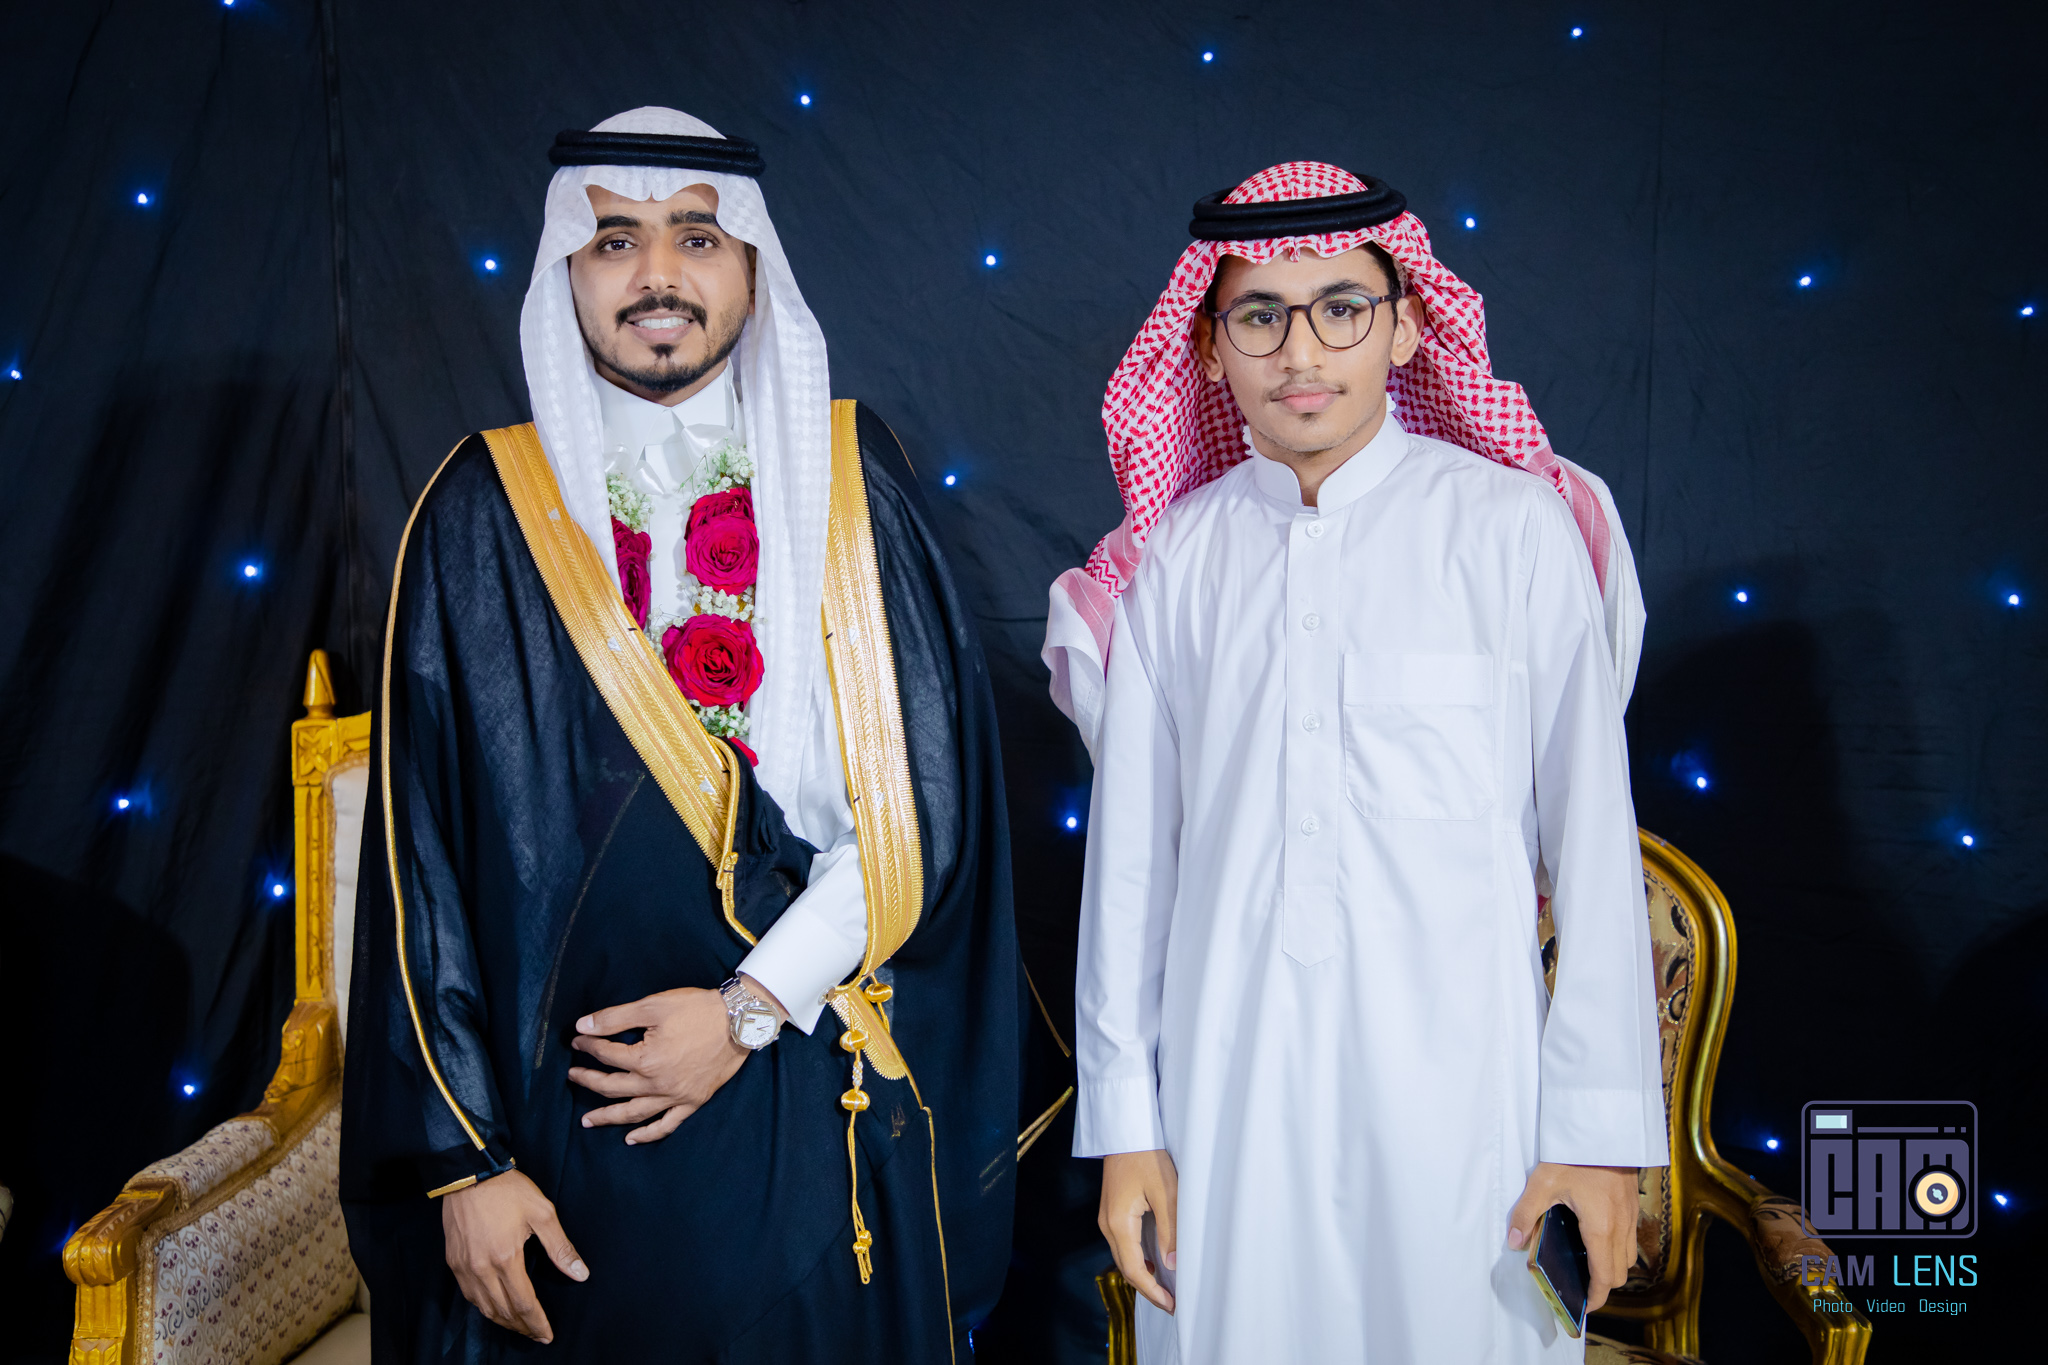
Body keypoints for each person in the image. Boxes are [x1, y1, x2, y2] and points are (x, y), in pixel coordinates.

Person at [341, 107, 1019, 1364]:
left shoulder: (853, 481)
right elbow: (416, 872)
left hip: (803, 1085)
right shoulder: (480, 511)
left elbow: (917, 812)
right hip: (559, 1138)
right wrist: (463, 1163)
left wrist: (747, 1007)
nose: (656, 273)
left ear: (751, 266)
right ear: (568, 271)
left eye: (695, 237)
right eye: (616, 241)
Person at [1047, 162, 1668, 1362]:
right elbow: (1128, 877)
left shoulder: (1512, 531)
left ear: (1407, 325)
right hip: (1225, 1103)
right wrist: (1126, 1124)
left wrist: (1593, 1137)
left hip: (1465, 1111)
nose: (1300, 353)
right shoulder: (1175, 562)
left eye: (1340, 308)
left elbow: (1592, 848)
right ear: (1208, 348)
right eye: (1258, 317)